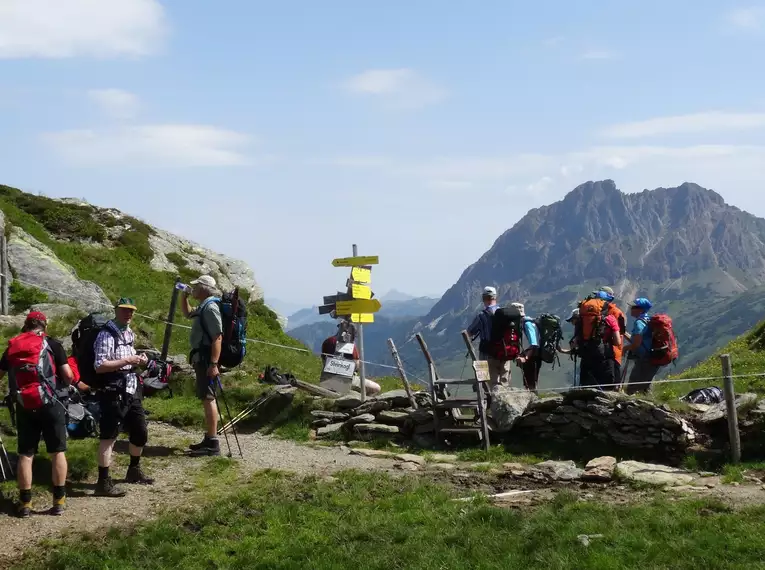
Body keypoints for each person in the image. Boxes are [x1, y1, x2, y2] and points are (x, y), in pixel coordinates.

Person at [0, 311, 73, 518]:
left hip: (24, 405)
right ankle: (58, 501)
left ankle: (25, 504)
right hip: (51, 403)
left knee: (26, 453)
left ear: (26, 325)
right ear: (44, 325)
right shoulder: (53, 344)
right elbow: (67, 376)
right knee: (57, 451)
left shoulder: (12, 347)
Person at [93, 297, 153, 497]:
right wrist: (128, 359)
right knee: (109, 436)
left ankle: (133, 471)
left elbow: (128, 358)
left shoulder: (129, 333)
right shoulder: (106, 334)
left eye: (132, 311)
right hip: (113, 390)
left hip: (131, 388)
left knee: (140, 431)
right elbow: (99, 366)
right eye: (125, 310)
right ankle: (103, 482)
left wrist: (139, 360)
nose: (129, 314)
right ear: (116, 310)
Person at [181, 275, 224, 457]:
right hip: (203, 357)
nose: (194, 289)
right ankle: (209, 438)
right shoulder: (205, 305)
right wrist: (184, 297)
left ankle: (213, 443)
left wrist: (214, 364)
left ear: (205, 288)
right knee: (206, 397)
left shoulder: (211, 307)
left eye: (196, 286)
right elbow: (188, 313)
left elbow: (217, 337)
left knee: (208, 398)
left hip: (207, 359)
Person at [467, 286, 510, 387]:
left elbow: (469, 332)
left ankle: (491, 402)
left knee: (489, 384)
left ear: (484, 298)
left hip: (487, 354)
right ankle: (505, 401)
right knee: (505, 383)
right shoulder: (505, 313)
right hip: (505, 353)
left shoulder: (481, 316)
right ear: (495, 297)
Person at [320, 327, 381, 395]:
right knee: (377, 388)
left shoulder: (327, 341)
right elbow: (356, 365)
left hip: (326, 380)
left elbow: (323, 361)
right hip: (345, 381)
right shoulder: (350, 346)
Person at [623, 297, 660, 394]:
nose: (631, 309)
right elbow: (638, 339)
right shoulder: (647, 320)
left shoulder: (639, 322)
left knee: (632, 388)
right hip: (651, 357)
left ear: (640, 309)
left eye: (634, 307)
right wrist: (623, 333)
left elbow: (636, 343)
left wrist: (625, 348)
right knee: (645, 387)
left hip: (644, 359)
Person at [515, 303, 541, 393]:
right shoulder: (525, 323)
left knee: (531, 382)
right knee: (528, 382)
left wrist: (525, 358)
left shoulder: (527, 324)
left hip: (532, 357)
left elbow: (534, 344)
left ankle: (534, 402)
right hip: (531, 356)